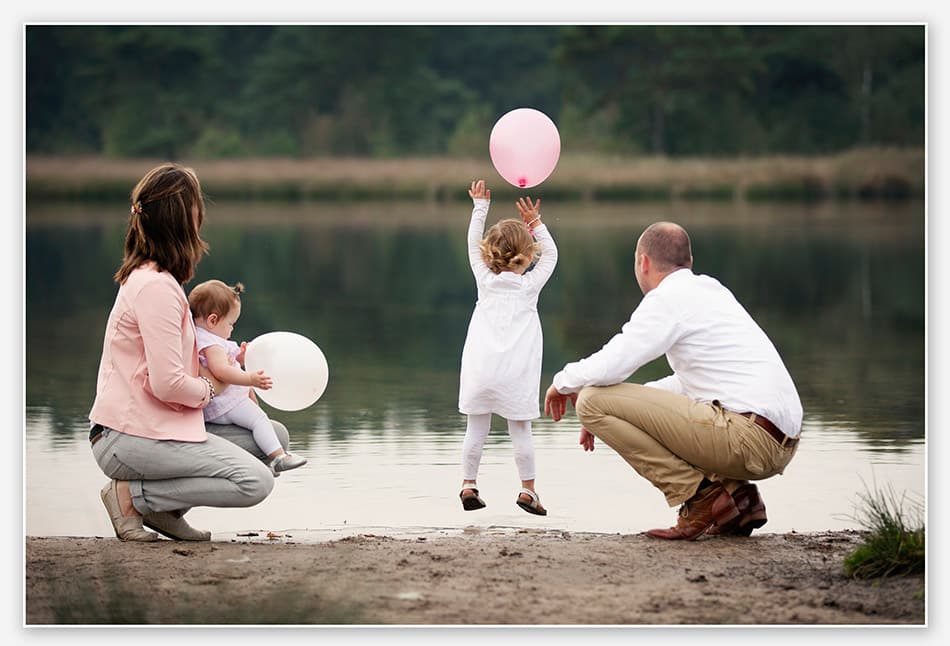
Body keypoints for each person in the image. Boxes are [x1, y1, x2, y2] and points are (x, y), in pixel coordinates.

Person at [544, 221, 802, 540]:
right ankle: (738, 498)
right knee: (603, 402)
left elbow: (615, 361)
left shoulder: (668, 298)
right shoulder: (710, 290)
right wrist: (623, 412)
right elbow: (688, 384)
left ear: (643, 262)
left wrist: (563, 382)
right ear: (688, 262)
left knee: (591, 400)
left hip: (747, 438)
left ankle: (699, 498)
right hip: (779, 442)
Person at [88, 162, 292, 542]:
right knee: (256, 482)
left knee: (273, 437)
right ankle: (132, 497)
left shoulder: (158, 281)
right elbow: (169, 385)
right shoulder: (156, 289)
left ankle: (164, 510)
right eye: (198, 207)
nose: (203, 217)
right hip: (127, 437)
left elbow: (182, 372)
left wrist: (233, 383)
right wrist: (214, 387)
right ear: (182, 219)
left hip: (156, 425)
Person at [457, 179, 558, 516]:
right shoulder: (530, 287)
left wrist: (479, 207)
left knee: (476, 428)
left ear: (489, 254)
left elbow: (472, 242)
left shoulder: (484, 281)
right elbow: (553, 254)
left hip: (480, 369)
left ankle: (468, 484)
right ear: (528, 256)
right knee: (521, 431)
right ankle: (528, 491)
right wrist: (535, 223)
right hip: (516, 373)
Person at [188, 279, 307, 475]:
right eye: (230, 324)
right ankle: (278, 458)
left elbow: (226, 363)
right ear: (212, 320)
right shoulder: (211, 344)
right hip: (226, 404)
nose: (232, 329)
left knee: (256, 415)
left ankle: (266, 457)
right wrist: (250, 379)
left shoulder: (206, 337)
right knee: (259, 420)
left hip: (228, 401)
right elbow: (221, 371)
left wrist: (241, 357)